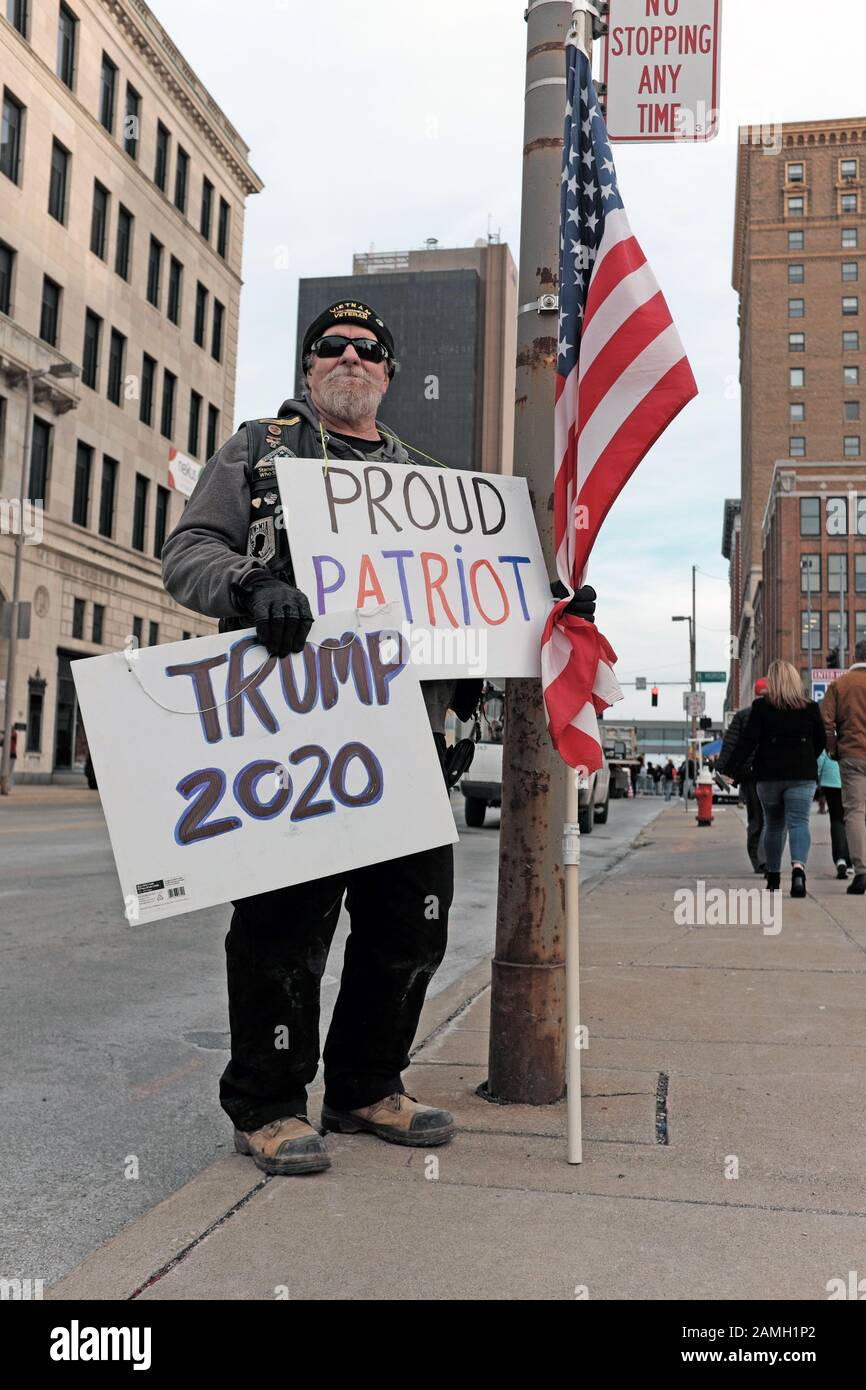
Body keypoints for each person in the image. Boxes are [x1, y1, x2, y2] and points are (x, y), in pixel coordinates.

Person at [161, 300, 596, 1176]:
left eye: (369, 349)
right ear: (309, 366)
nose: (350, 357)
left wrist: (551, 614)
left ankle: (366, 1086)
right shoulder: (257, 452)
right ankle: (269, 1106)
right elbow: (186, 555)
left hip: (409, 746)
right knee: (283, 931)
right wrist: (251, 587)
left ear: (389, 374)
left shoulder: (435, 486)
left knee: (410, 927)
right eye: (332, 346)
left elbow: (486, 602)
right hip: (293, 744)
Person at [729, 660, 825, 897]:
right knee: (799, 823)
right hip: (802, 775)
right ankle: (798, 872)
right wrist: (806, 759)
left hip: (769, 775)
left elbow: (747, 741)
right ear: (795, 680)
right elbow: (821, 741)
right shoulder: (810, 708)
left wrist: (731, 768)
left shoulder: (761, 707)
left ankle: (773, 877)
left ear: (772, 682)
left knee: (773, 825)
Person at [820, 641, 866, 895]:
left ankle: (861, 872)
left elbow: (826, 722)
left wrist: (833, 748)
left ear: (854, 656)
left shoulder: (840, 685)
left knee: (855, 813)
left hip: (852, 755)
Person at [717, 677, 768, 874]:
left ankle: (757, 859)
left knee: (755, 819)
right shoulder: (776, 714)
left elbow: (730, 743)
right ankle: (764, 858)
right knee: (768, 819)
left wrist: (723, 769)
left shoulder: (743, 716)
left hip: (749, 775)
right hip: (767, 773)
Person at [816, 750, 851, 880]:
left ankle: (840, 858)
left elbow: (822, 757)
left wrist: (818, 777)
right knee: (853, 819)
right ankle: (853, 859)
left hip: (831, 779)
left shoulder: (830, 731)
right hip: (854, 777)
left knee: (836, 820)